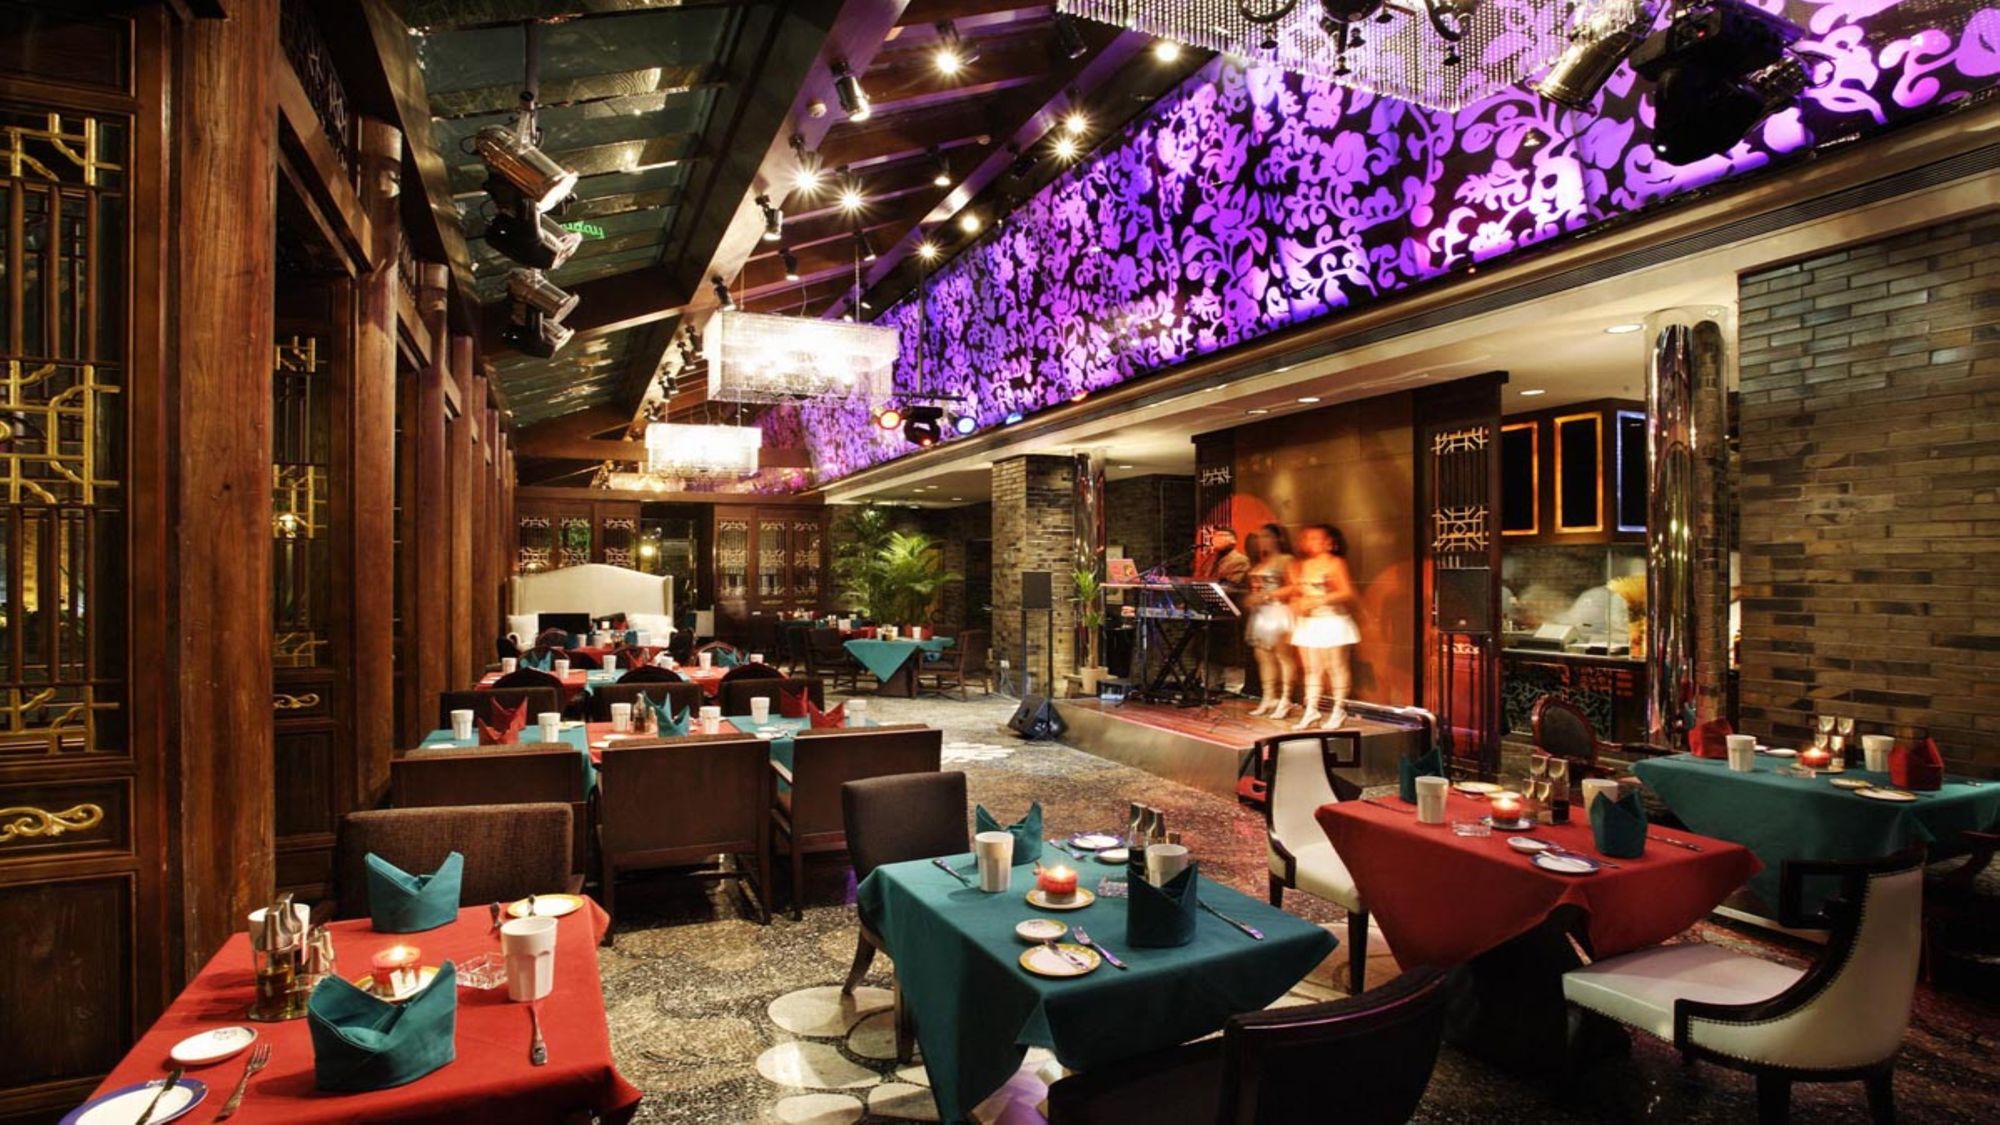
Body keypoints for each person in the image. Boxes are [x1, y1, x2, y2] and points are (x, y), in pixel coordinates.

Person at [1281, 523, 1360, 729]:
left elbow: (1346, 592)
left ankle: (1339, 709)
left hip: (1332, 620)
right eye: (1308, 538)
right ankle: (1311, 709)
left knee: (1335, 667)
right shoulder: (1304, 565)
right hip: (1309, 622)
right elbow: (1298, 591)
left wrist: (1319, 600)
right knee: (1311, 669)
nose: (1310, 542)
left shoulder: (1336, 563)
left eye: (1315, 538)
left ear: (1329, 542)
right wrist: (1297, 603)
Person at [1244, 523, 1297, 719]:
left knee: (1283, 656)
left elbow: (1294, 586)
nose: (1261, 541)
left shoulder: (1286, 560)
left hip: (1278, 611)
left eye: (1266, 536)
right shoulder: (1261, 561)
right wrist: (1253, 598)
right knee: (1263, 657)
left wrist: (1268, 595)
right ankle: (1268, 696)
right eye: (1259, 537)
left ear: (1277, 538)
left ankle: (1286, 698)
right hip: (1260, 614)